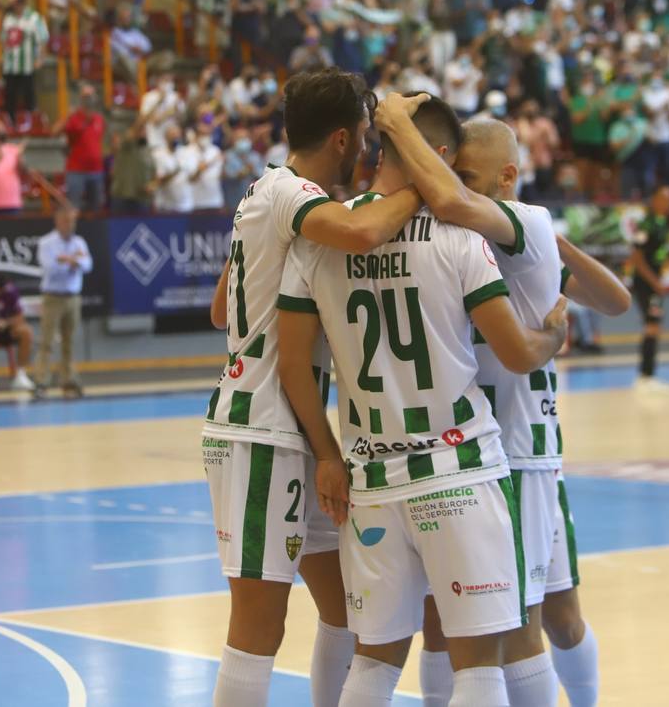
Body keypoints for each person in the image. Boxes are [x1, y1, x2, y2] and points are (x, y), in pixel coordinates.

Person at [275, 95, 570, 707]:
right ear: (433, 155)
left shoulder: (323, 232)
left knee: (375, 663)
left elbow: (295, 364)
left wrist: (327, 453)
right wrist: (553, 337)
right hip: (457, 467)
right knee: (479, 665)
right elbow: (515, 353)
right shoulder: (460, 236)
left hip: (371, 476)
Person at [374, 105, 630, 707]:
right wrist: (552, 246)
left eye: (463, 172)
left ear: (506, 178)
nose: (447, 182)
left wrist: (397, 125)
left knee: (534, 625)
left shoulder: (508, 222)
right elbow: (615, 299)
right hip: (474, 451)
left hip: (519, 453)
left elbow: (615, 302)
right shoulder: (485, 233)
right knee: (465, 620)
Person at [200, 71, 438, 707]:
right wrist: (428, 180)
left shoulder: (264, 193)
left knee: (348, 613)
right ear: (344, 137)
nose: (367, 151)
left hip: (297, 430)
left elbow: (221, 308)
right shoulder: (292, 195)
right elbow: (362, 232)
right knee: (258, 627)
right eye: (367, 137)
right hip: (261, 428)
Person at [35, 206, 92, 397]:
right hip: (53, 297)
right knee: (47, 341)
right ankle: (42, 381)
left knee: (69, 341)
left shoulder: (79, 242)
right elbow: (50, 268)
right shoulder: (47, 243)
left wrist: (67, 260)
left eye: (73, 222)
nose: (70, 225)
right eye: (67, 221)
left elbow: (87, 265)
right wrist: (72, 261)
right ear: (58, 221)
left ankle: (68, 380)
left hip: (73, 297)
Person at [630, 186, 669, 390]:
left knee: (655, 325)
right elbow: (637, 259)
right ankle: (646, 376)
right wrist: (654, 282)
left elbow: (659, 251)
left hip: (654, 282)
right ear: (655, 200)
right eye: (665, 199)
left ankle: (648, 375)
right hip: (645, 283)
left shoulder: (662, 222)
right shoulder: (646, 225)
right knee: (652, 326)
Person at [0, 0, 50, 130]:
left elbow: (43, 39)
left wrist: (41, 58)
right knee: (10, 96)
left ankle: (31, 124)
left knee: (29, 96)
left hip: (27, 64)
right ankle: (10, 124)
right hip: (10, 65)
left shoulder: (34, 18)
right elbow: (3, 38)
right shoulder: (8, 18)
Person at [54, 83, 106, 212]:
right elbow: (54, 131)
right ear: (81, 98)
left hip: (96, 170)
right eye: (86, 96)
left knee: (96, 209)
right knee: (73, 208)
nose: (89, 99)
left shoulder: (99, 119)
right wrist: (68, 116)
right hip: (76, 170)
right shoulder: (74, 117)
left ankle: (94, 232)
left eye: (91, 96)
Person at [149, 125, 193, 214]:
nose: (175, 137)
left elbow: (192, 177)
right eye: (172, 135)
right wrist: (176, 172)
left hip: (185, 206)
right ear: (166, 137)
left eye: (177, 134)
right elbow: (158, 180)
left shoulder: (187, 152)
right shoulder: (157, 154)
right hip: (165, 207)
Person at [221, 129, 264, 208]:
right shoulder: (227, 156)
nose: (242, 141)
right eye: (239, 139)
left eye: (245, 138)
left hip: (253, 203)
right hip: (233, 203)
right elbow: (227, 175)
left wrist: (253, 170)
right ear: (233, 141)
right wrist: (239, 174)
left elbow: (263, 175)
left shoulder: (255, 156)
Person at [190, 121, 225, 212]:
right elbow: (191, 179)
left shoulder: (216, 151)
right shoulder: (186, 152)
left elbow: (219, 175)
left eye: (208, 134)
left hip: (215, 201)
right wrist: (203, 167)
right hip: (196, 203)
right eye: (202, 134)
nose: (206, 137)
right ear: (195, 135)